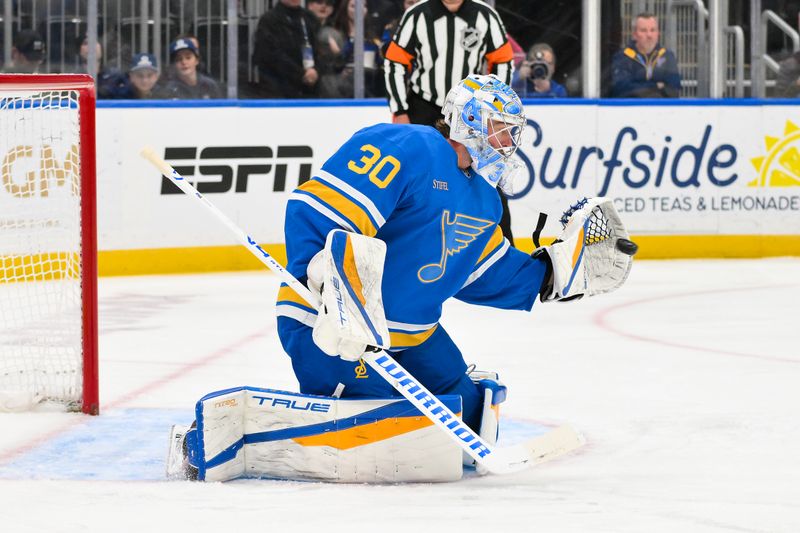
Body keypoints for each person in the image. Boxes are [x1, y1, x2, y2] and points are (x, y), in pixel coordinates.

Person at [276, 74, 633, 452]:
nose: (510, 143)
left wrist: (555, 273)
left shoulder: (485, 198)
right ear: (471, 120)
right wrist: (331, 290)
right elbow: (318, 210)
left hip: (412, 336)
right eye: (501, 129)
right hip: (328, 327)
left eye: (513, 133)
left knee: (471, 411)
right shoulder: (408, 146)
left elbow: (482, 271)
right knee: (398, 429)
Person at [383, 0, 517, 244]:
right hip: (425, 109)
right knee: (418, 177)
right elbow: (395, 62)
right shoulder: (417, 15)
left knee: (488, 176)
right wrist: (400, 110)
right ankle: (409, 243)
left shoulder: (485, 16)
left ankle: (505, 246)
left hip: (472, 112)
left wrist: (494, 108)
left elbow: (504, 61)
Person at [252, 0, 320, 98]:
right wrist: (301, 74)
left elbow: (321, 51)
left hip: (310, 88)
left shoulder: (309, 18)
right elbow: (270, 55)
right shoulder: (268, 20)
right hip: (278, 90)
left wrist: (316, 71)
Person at [317, 0, 384, 98]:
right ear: (345, 9)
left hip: (369, 89)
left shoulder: (372, 38)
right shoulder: (332, 34)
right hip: (340, 92)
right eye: (353, 6)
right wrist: (339, 56)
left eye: (363, 6)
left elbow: (379, 64)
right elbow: (328, 68)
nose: (359, 9)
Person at [610, 12, 681, 98]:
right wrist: (656, 86)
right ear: (634, 34)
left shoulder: (667, 55)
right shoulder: (623, 57)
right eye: (643, 30)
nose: (649, 35)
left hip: (661, 109)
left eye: (653, 30)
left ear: (658, 33)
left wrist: (640, 87)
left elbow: (674, 90)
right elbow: (621, 89)